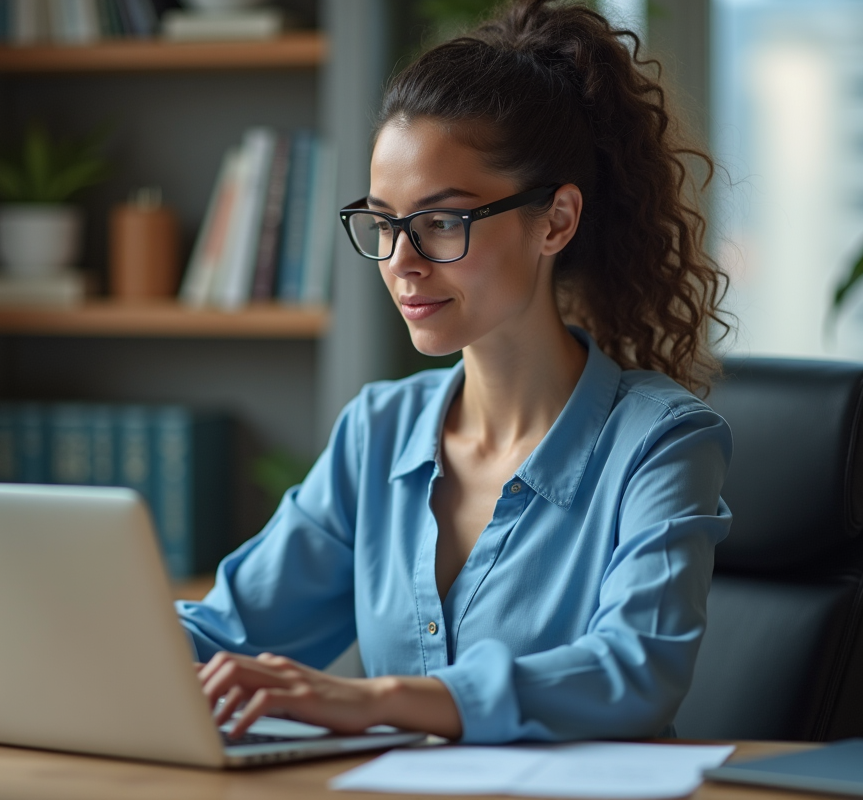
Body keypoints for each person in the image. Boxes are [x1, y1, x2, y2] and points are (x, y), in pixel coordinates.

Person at [177, 0, 733, 744]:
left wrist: (375, 700)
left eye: (442, 221)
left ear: (555, 221)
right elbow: (226, 632)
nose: (401, 263)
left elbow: (634, 672)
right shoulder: (379, 432)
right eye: (384, 223)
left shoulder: (660, 442)